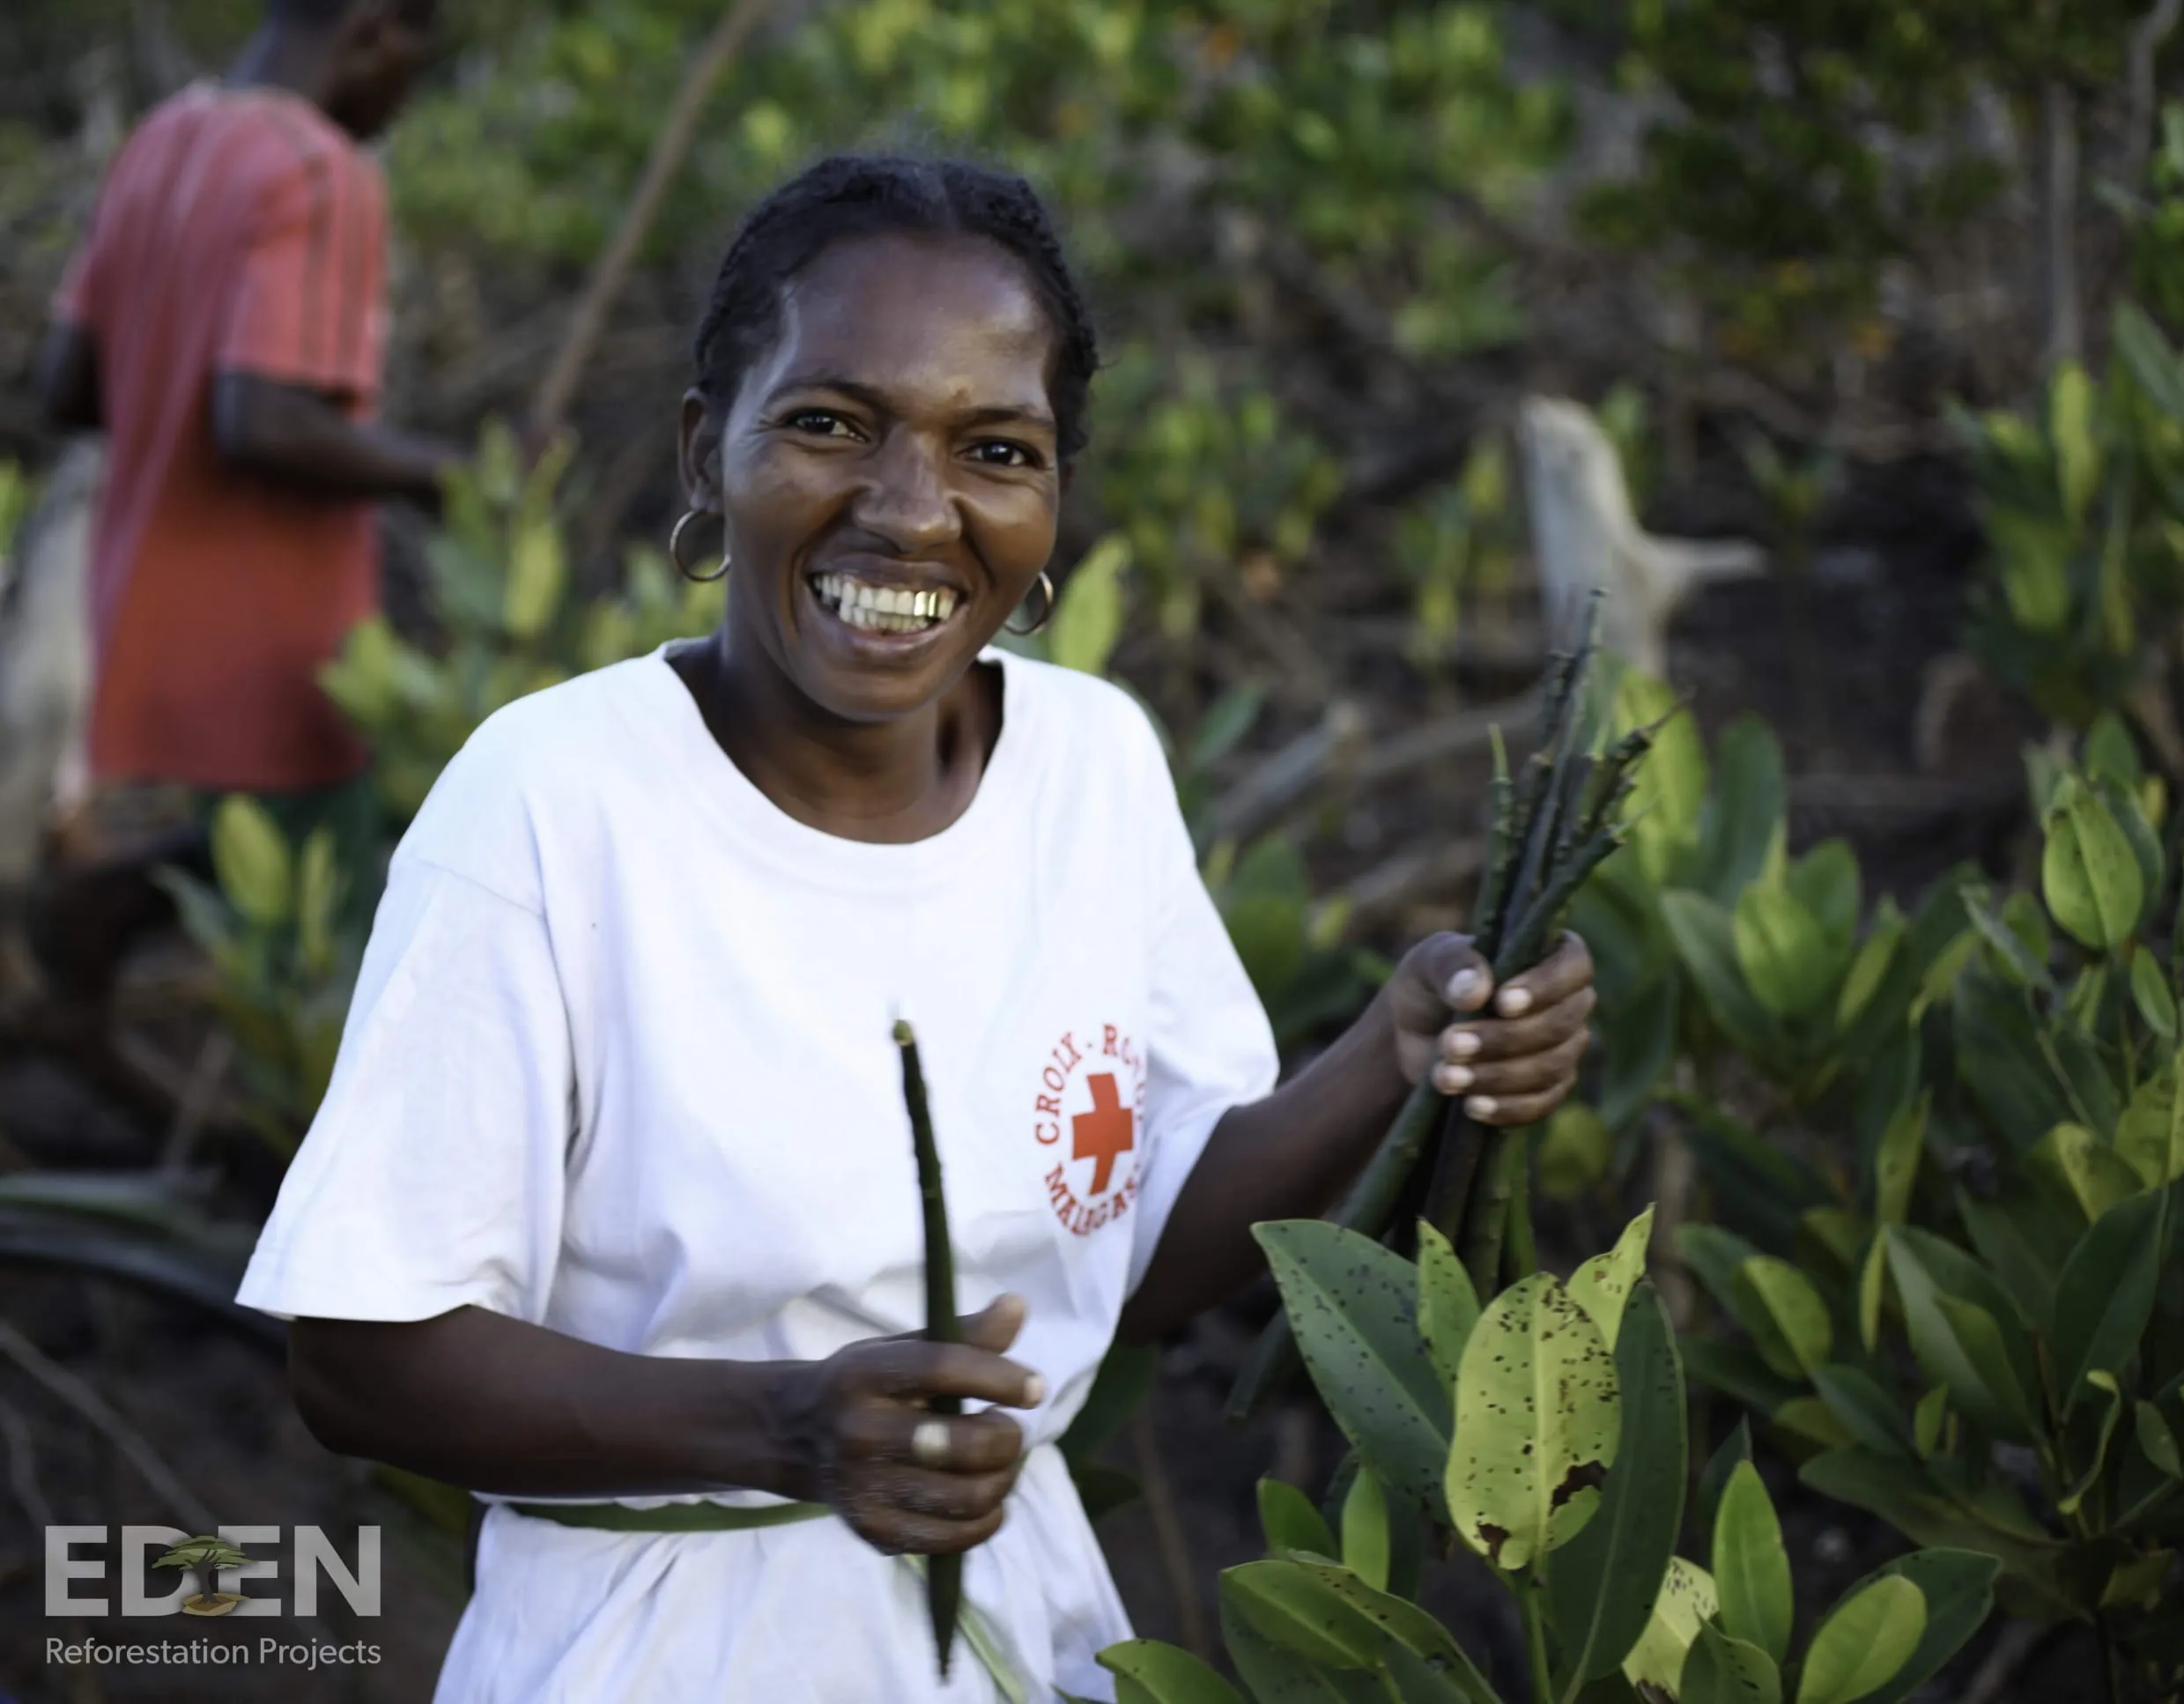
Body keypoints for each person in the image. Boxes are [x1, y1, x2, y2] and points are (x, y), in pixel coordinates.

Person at [237, 155, 1599, 1701]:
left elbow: (1124, 1252)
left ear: (1054, 500)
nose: (909, 509)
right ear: (706, 449)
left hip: (1027, 1636)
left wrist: (1396, 1053)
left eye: (994, 447)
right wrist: (789, 1427)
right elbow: (355, 1351)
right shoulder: (555, 802)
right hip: (651, 1647)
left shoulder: (1091, 767)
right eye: (829, 422)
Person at [30, 0, 451, 1024]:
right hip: (274, 658)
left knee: (243, 868)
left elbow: (64, 387)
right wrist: (450, 473)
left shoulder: (162, 137)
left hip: (142, 629)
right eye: (414, 65)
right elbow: (258, 422)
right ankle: (90, 913)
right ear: (376, 29)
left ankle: (95, 911)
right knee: (319, 972)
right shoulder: (318, 168)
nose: (398, 103)